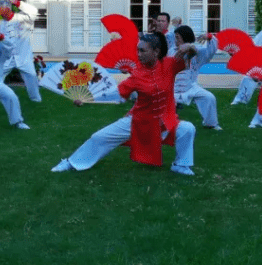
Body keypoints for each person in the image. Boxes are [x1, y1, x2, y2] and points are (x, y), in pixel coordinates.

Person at [51, 31, 198, 175]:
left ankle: (181, 165)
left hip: (165, 120)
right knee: (99, 137)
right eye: (137, 50)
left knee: (187, 128)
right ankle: (71, 163)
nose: (138, 54)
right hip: (139, 121)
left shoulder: (169, 64)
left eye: (142, 51)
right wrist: (87, 99)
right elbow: (115, 94)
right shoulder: (137, 75)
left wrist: (189, 46)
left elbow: (192, 55)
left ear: (156, 51)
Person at [173, 25, 222, 130]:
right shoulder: (171, 51)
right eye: (175, 37)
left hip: (191, 86)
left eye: (177, 37)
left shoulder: (197, 53)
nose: (175, 40)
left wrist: (209, 36)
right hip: (172, 88)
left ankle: (211, 124)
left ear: (185, 37)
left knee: (209, 97)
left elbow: (211, 50)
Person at [0, 0, 42, 103]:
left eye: (3, 9)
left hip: (24, 57)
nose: (2, 13)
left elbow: (34, 12)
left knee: (31, 76)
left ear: (9, 9)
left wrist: (18, 3)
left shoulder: (23, 18)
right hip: (7, 58)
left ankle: (36, 99)